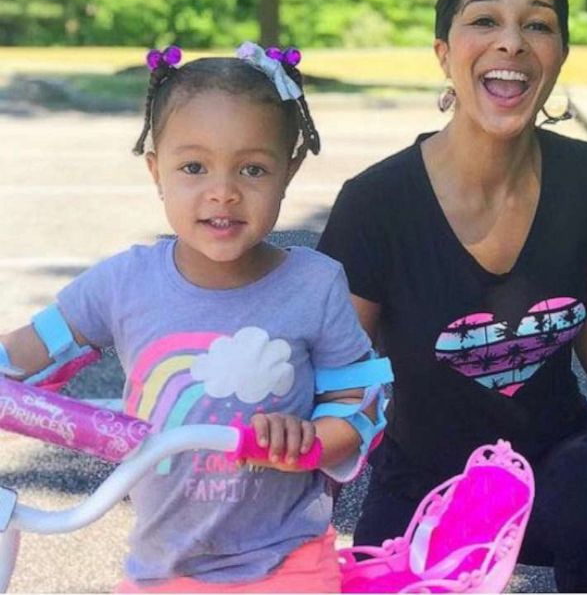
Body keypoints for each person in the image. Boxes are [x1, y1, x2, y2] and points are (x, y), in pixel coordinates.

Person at [317, 0, 587, 592]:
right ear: (443, 51)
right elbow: (336, 381)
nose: (512, 41)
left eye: (538, 25)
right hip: (426, 480)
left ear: (561, 54)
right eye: (484, 20)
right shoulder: (375, 203)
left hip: (556, 457)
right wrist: (280, 527)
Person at [0, 42, 390, 593]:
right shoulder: (124, 282)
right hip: (164, 566)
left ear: (290, 169)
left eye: (252, 168)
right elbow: (27, 350)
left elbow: (360, 413)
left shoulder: (314, 284)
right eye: (194, 166)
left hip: (287, 561)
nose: (223, 192)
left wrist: (305, 440)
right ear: (157, 169)